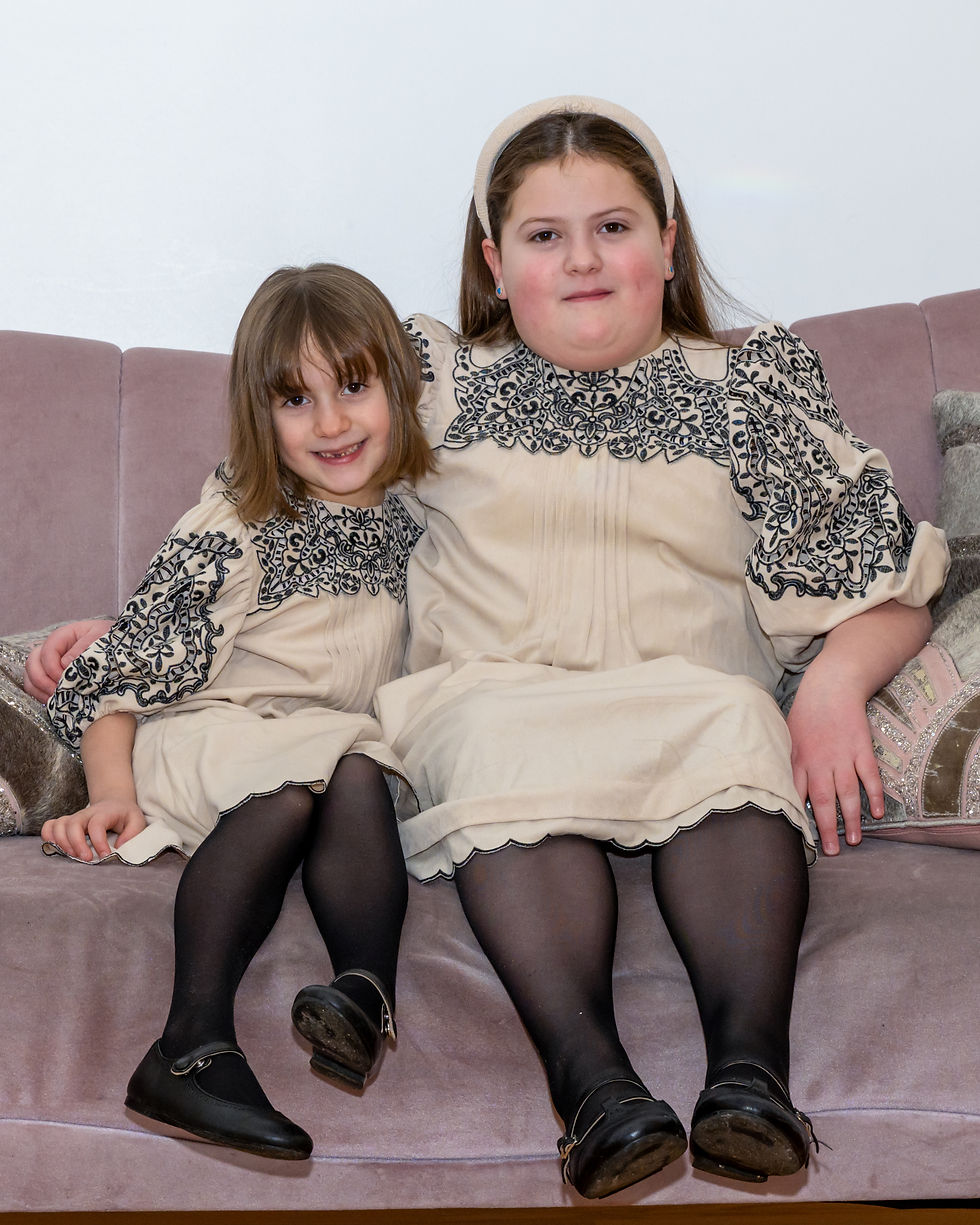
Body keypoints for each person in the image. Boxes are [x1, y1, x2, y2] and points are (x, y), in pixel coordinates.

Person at [28, 97, 950, 1197]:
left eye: (613, 227)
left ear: (667, 244)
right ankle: (596, 1093)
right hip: (488, 699)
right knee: (498, 733)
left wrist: (834, 682)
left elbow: (895, 576)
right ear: (494, 263)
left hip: (691, 694)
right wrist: (138, 629)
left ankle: (750, 1081)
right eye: (544, 236)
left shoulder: (750, 389)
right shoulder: (430, 379)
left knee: (736, 721)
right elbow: (274, 502)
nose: (582, 260)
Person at [38, 263, 434, 1161]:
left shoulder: (417, 521)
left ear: (400, 389)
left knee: (358, 764)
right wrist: (111, 794)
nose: (330, 423)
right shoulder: (241, 523)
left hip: (323, 754)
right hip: (199, 737)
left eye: (355, 387)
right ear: (260, 414)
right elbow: (116, 674)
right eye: (295, 400)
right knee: (302, 777)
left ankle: (364, 993)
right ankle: (190, 1043)